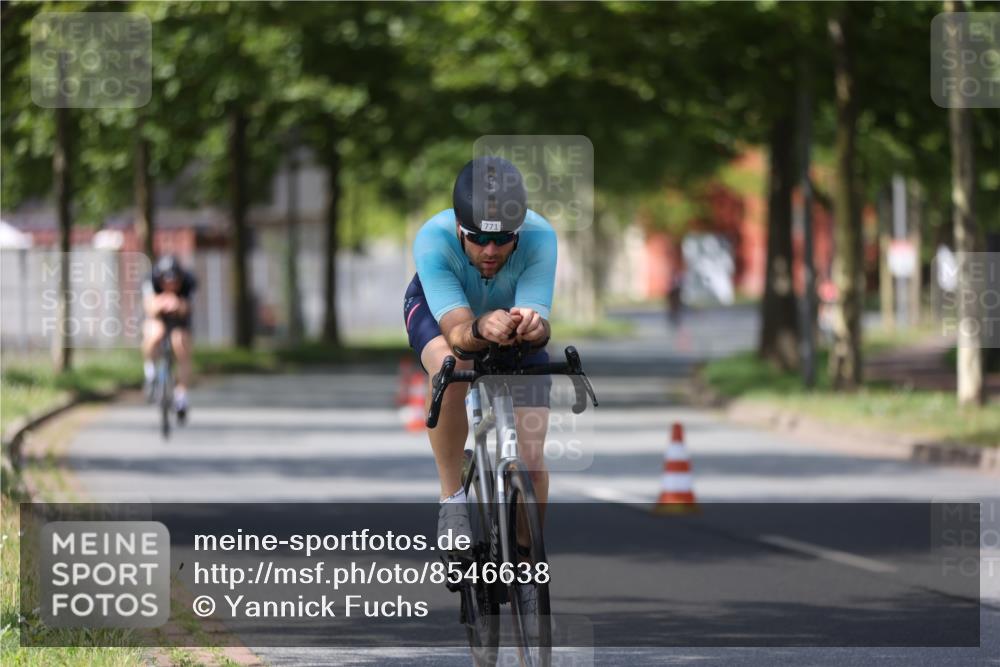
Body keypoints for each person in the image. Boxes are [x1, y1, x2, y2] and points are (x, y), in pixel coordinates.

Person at [403, 156, 557, 553]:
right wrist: (478, 327)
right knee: (452, 366)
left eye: (504, 239)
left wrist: (536, 329)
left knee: (533, 461)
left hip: (504, 320)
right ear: (459, 228)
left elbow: (537, 322)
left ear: (519, 232)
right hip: (445, 317)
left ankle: (525, 560)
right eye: (477, 238)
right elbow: (457, 333)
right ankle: (452, 499)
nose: (491, 250)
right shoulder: (432, 238)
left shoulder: (542, 237)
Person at [142, 254, 197, 421]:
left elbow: (188, 308)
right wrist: (161, 303)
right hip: (157, 317)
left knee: (180, 344)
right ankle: (150, 372)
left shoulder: (188, 282)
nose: (171, 285)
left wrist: (178, 305)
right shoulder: (150, 280)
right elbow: (149, 308)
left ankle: (181, 397)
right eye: (166, 281)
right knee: (154, 334)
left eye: (174, 281)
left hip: (179, 320)